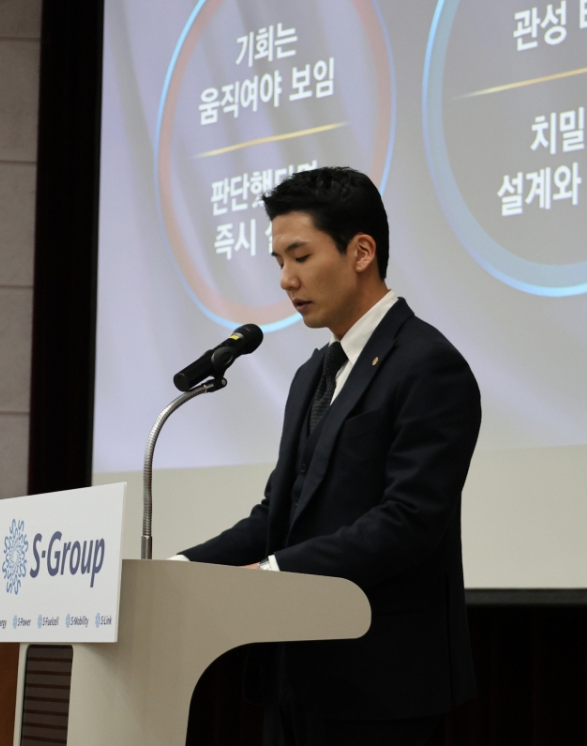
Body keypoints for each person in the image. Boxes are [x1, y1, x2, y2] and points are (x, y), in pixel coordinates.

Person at [176, 166, 482, 746]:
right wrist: (179, 570)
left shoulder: (427, 364)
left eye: (300, 256)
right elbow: (277, 515)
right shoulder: (312, 373)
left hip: (379, 681)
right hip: (294, 674)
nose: (286, 280)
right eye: (279, 262)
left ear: (361, 252)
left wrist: (272, 573)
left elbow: (409, 520)